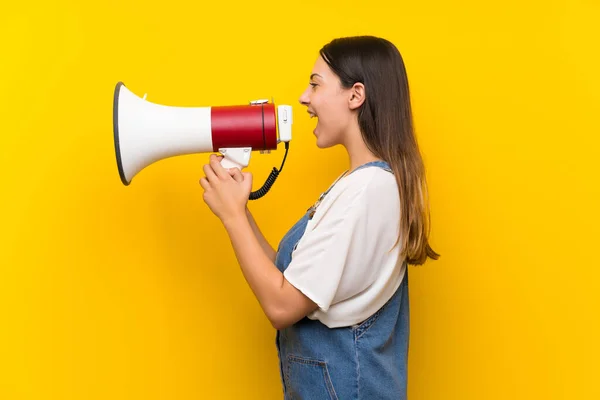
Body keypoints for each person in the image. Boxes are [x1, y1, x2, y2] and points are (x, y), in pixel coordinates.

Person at [199, 35, 439, 400]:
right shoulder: (359, 185)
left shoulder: (368, 192)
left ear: (355, 95)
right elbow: (288, 282)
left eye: (315, 83)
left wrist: (233, 217)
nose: (304, 98)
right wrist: (239, 211)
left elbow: (282, 306)